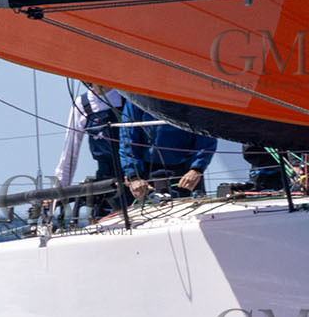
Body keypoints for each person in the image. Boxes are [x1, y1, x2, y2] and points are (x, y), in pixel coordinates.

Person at [54, 83, 124, 219]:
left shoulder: (127, 96)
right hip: (106, 177)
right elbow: (70, 151)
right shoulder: (83, 103)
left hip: (135, 176)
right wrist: (60, 190)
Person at [120, 102, 217, 200]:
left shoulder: (194, 93)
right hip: (147, 174)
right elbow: (128, 138)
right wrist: (133, 176)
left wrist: (197, 169)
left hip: (187, 172)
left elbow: (206, 134)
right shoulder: (135, 99)